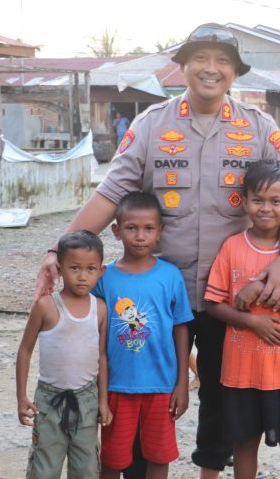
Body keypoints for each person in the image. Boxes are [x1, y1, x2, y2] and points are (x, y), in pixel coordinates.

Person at [35, 22, 280, 479]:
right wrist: (56, 248)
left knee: (226, 392)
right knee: (150, 387)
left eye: (222, 61)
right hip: (159, 293)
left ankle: (209, 473)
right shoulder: (150, 125)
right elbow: (111, 193)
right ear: (182, 67)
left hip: (234, 295)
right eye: (200, 58)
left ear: (234, 73)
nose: (210, 68)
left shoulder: (259, 126)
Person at [204, 160, 280, 479]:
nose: (266, 208)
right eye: (258, 200)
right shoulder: (231, 247)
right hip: (242, 374)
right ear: (244, 202)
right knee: (243, 443)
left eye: (275, 201)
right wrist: (253, 322)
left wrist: (261, 288)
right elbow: (214, 305)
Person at [92, 192, 193, 479]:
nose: (140, 236)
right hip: (116, 386)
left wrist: (182, 383)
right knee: (112, 459)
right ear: (116, 231)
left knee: (159, 456)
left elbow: (181, 328)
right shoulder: (104, 278)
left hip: (161, 387)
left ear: (160, 232)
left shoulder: (170, 276)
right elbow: (93, 333)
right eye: (131, 228)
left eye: (149, 229)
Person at [16, 230, 111, 479]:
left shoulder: (100, 309)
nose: (82, 276)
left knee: (86, 469)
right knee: (44, 469)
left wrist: (103, 401)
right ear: (59, 269)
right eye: (74, 268)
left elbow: (101, 357)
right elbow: (25, 350)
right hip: (49, 401)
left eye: (90, 269)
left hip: (87, 400)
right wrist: (21, 396)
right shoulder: (46, 305)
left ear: (100, 271)